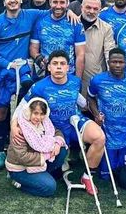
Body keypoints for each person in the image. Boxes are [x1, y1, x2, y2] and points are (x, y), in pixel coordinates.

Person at [17, 50, 105, 195]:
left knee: (99, 137)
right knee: (55, 171)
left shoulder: (75, 82)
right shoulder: (39, 87)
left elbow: (79, 99)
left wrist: (94, 112)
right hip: (53, 129)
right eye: (55, 64)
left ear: (68, 67)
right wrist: (14, 127)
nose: (58, 67)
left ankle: (87, 177)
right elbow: (21, 107)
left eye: (62, 64)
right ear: (49, 67)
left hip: (74, 122)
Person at [0, 0, 50, 169]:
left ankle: (21, 148)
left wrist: (72, 12)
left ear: (21, 0)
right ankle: (0, 151)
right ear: (4, 2)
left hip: (23, 71)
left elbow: (55, 11)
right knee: (0, 112)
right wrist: (8, 64)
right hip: (1, 71)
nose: (12, 1)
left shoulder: (30, 14)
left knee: (24, 109)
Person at [87, 48, 126, 190]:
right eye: (114, 62)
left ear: (125, 63)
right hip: (107, 133)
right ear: (108, 62)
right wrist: (96, 114)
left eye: (120, 62)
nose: (117, 65)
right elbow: (90, 98)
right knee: (106, 176)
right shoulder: (97, 80)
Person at [6, 97, 68, 197]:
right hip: (20, 168)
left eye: (42, 114)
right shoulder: (19, 129)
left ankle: (42, 176)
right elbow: (22, 157)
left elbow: (56, 131)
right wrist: (47, 155)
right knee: (50, 187)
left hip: (37, 162)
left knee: (62, 150)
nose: (38, 117)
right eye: (35, 113)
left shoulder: (45, 122)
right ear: (29, 112)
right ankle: (19, 183)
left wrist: (57, 144)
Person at [30, 0, 87, 76]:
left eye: (62, 2)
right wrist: (38, 57)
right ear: (50, 2)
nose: (58, 6)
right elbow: (33, 48)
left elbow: (80, 55)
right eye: (55, 2)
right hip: (45, 75)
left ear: (67, 3)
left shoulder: (76, 23)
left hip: (68, 76)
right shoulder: (40, 21)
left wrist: (77, 80)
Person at [78, 0, 116, 93]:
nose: (91, 11)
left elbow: (109, 53)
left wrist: (112, 78)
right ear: (81, 7)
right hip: (70, 79)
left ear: (100, 10)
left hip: (94, 81)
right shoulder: (71, 24)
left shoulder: (106, 29)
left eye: (95, 9)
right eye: (88, 7)